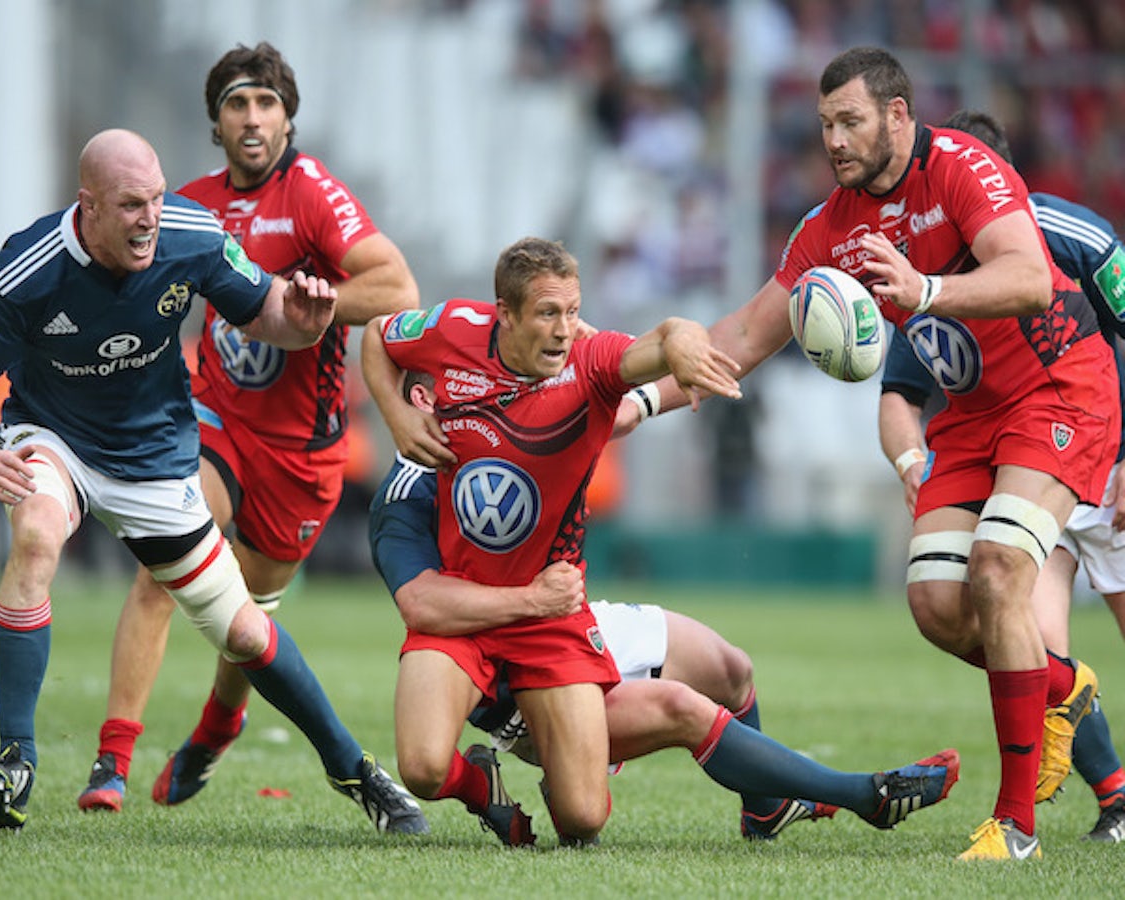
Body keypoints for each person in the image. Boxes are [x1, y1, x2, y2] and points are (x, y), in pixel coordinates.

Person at [598, 47, 1120, 861]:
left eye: (851, 121)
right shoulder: (829, 226)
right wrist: (637, 399)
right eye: (824, 126)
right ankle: (1064, 687)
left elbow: (1026, 277)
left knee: (997, 573)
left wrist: (926, 291)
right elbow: (740, 337)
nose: (835, 140)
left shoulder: (961, 166)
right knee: (938, 608)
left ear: (899, 116)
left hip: (1058, 391)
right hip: (974, 418)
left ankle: (1015, 828)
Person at [360, 236, 958, 846]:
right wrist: (400, 421)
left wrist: (683, 346)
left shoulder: (587, 364)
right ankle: (490, 784)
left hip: (552, 619)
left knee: (588, 814)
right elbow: (424, 604)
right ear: (503, 315)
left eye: (572, 312)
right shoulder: (409, 481)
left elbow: (659, 343)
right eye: (548, 314)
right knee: (425, 765)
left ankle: (768, 804)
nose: (566, 331)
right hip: (489, 620)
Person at [0, 128, 420, 834]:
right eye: (132, 204)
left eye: (158, 199)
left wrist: (307, 321)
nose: (150, 218)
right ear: (90, 205)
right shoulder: (29, 265)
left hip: (155, 455)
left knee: (246, 633)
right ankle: (18, 756)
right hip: (56, 438)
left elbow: (271, 316)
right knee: (37, 534)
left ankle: (355, 769)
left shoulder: (193, 234)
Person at [73, 44, 425, 835]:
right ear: (216, 121)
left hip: (303, 454)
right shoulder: (186, 204)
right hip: (215, 425)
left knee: (249, 613)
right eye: (238, 103)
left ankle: (216, 727)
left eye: (266, 102)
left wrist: (314, 301)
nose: (253, 117)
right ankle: (113, 761)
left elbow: (397, 286)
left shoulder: (311, 194)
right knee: (167, 567)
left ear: (287, 117)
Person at [879, 108, 1125, 844]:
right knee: (1014, 632)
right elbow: (899, 391)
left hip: (1101, 456)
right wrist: (910, 459)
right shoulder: (931, 263)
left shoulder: (1069, 232)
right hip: (1023, 470)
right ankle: (1112, 797)